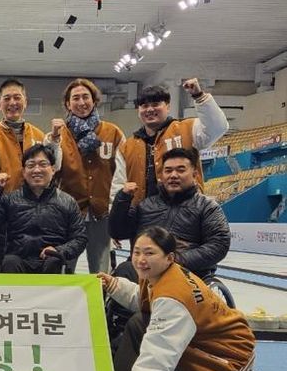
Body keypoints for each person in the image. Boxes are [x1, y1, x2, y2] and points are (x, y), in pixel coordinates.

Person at [98, 226, 273, 371]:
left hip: (228, 357)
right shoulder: (162, 275)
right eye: (136, 252)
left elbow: (159, 353)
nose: (140, 260)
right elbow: (146, 299)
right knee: (140, 321)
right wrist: (114, 285)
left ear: (169, 258)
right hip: (211, 341)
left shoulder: (173, 297)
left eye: (149, 253)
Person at [0, 78, 62, 272]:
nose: (12, 102)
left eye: (17, 97)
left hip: (34, 210)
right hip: (0, 211)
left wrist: (55, 139)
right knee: (0, 265)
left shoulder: (38, 134)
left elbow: (54, 166)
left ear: (25, 102)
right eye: (7, 98)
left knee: (32, 263)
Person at [109, 147, 230, 279]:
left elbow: (219, 244)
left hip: (184, 274)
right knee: (121, 273)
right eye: (168, 170)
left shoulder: (207, 207)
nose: (173, 175)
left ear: (195, 175)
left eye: (180, 170)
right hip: (143, 271)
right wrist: (122, 199)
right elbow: (117, 232)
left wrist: (174, 260)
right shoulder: (145, 205)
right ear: (161, 175)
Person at [110, 78, 229, 206]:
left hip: (186, 213)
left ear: (167, 107)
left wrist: (199, 96)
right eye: (144, 106)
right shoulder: (127, 147)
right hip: (141, 215)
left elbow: (218, 127)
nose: (149, 109)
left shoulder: (187, 129)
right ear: (138, 110)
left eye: (155, 104)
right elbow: (118, 186)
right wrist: (116, 214)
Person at [52, 78, 126, 274]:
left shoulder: (113, 133)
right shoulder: (59, 134)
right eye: (75, 98)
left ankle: (101, 295)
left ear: (94, 101)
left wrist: (117, 211)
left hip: (102, 213)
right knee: (63, 270)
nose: (81, 102)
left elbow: (121, 174)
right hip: (68, 214)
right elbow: (52, 168)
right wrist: (54, 138)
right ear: (68, 104)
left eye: (86, 97)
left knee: (101, 272)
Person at [0, 143, 87, 273]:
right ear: (24, 172)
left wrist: (59, 250)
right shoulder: (9, 200)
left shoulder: (68, 202)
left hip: (52, 262)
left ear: (53, 169)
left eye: (43, 164)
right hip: (17, 262)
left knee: (54, 260)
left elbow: (80, 238)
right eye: (31, 165)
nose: (37, 170)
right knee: (9, 261)